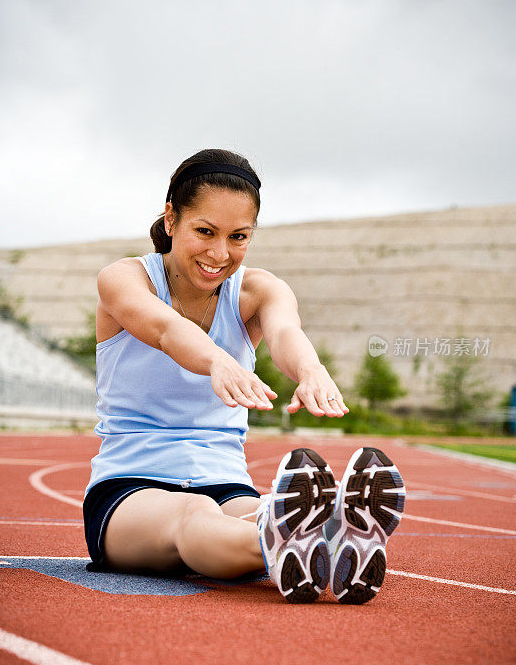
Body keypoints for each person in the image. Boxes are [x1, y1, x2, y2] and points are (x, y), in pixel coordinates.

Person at [83, 148, 405, 604]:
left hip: (225, 482)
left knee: (258, 508)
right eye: (204, 232)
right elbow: (165, 329)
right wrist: (217, 361)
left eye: (238, 237)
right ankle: (299, 542)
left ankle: (322, 536)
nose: (219, 253)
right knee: (191, 513)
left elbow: (285, 331)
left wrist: (311, 372)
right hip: (129, 488)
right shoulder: (124, 279)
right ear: (171, 219)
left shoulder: (258, 289)